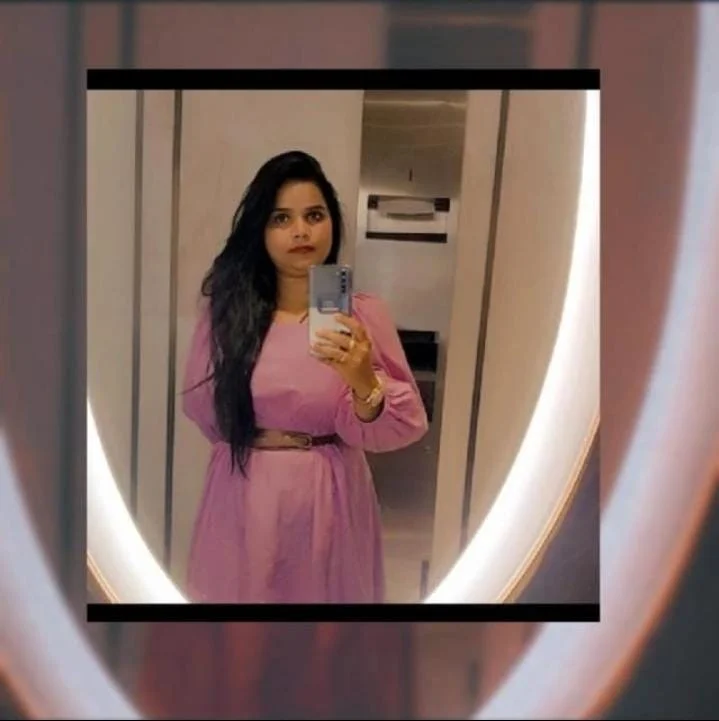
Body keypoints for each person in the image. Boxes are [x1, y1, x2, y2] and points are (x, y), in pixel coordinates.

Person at [181, 149, 429, 604]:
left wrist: (363, 381)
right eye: (281, 218)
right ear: (260, 230)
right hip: (243, 493)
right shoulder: (226, 316)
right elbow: (204, 410)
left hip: (329, 496)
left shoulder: (363, 315)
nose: (301, 231)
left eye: (314, 215)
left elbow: (405, 424)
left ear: (332, 222)